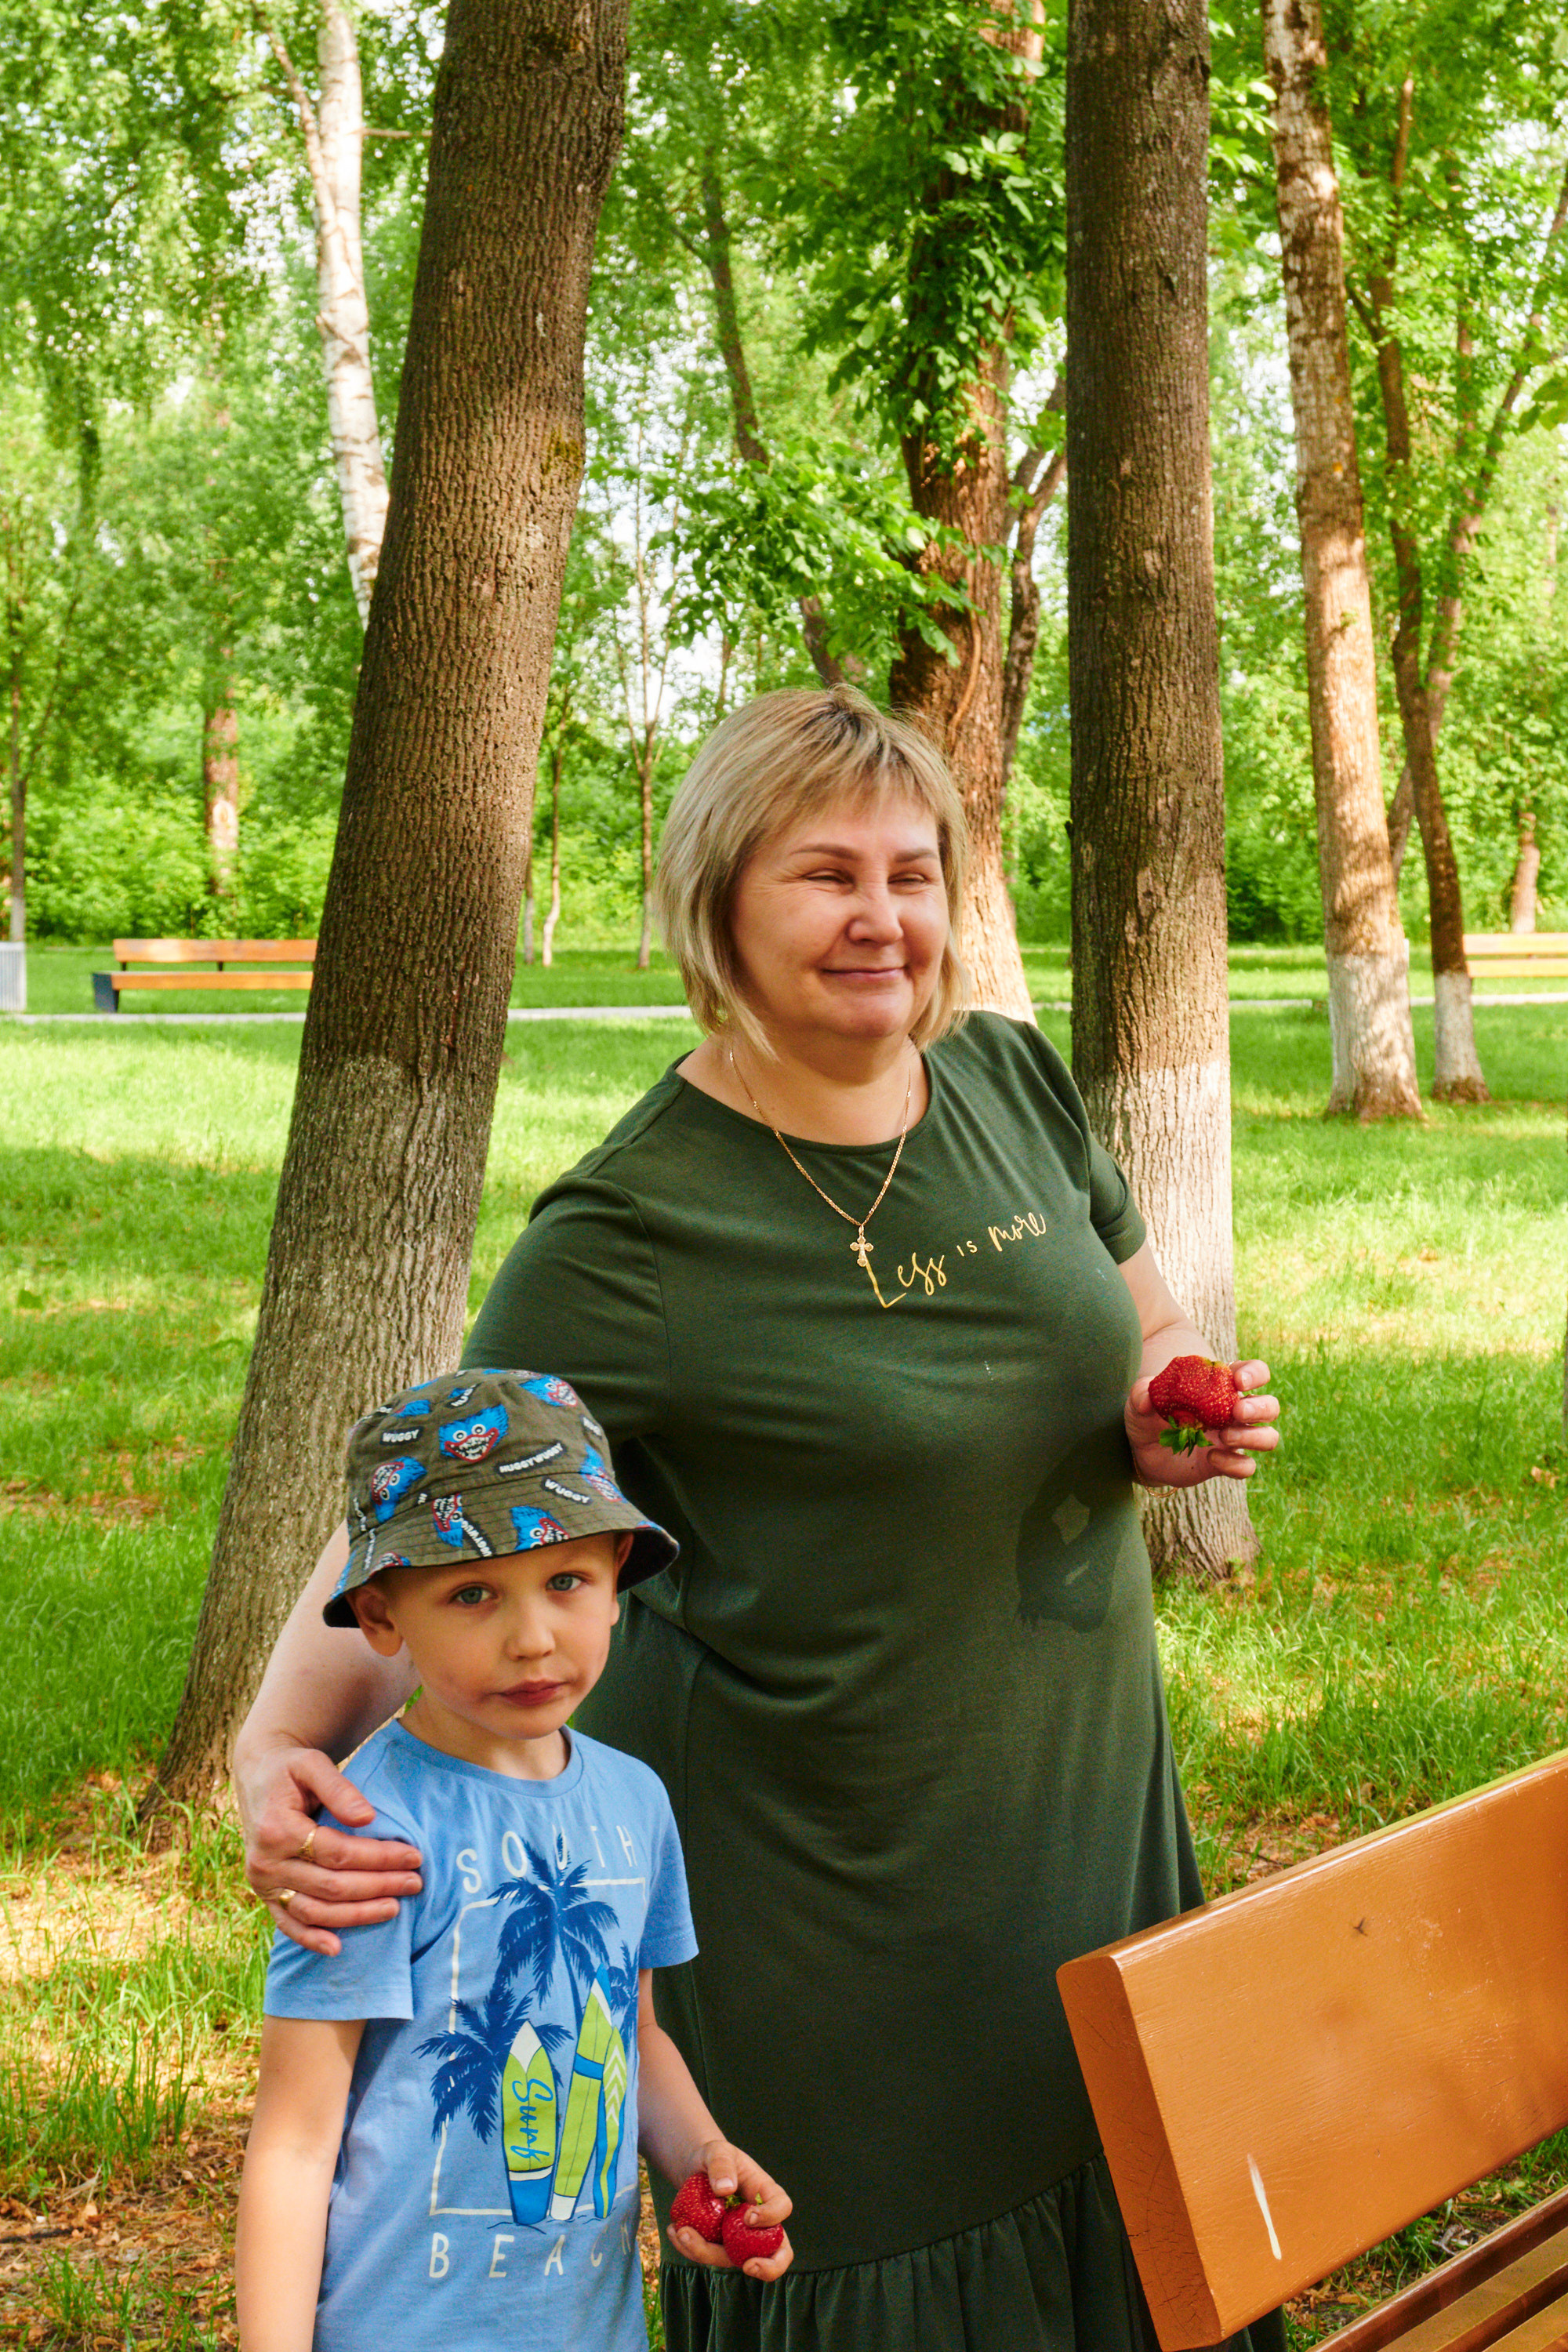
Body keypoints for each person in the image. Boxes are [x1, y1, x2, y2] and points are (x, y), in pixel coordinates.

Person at [235, 684, 1283, 2352]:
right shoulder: (630, 1230)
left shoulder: (1010, 1080)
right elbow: (428, 1517)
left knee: (1115, 2191)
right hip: (822, 1891)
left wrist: (1163, 1409)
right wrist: (273, 1743)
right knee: (874, 2249)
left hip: (1081, 1824)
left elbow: (1139, 1326)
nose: (885, 917)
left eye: (915, 871)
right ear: (718, 897)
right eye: (827, 875)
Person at [234, 1369, 793, 2352]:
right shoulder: (366, 1833)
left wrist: (701, 2152)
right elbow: (293, 2140)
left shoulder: (634, 1803)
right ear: (379, 1618)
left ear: (618, 1577)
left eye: (566, 1582)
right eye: (472, 1592)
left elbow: (634, 2035)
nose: (532, 1639)